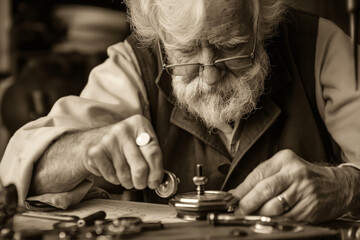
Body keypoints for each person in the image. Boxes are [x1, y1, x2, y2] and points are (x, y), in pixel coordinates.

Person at [1, 0, 360, 223]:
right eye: (186, 51)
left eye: (231, 46)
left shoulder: (320, 46)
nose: (209, 74)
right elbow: (17, 175)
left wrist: (347, 186)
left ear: (261, 20)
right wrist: (84, 149)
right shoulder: (135, 63)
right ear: (159, 34)